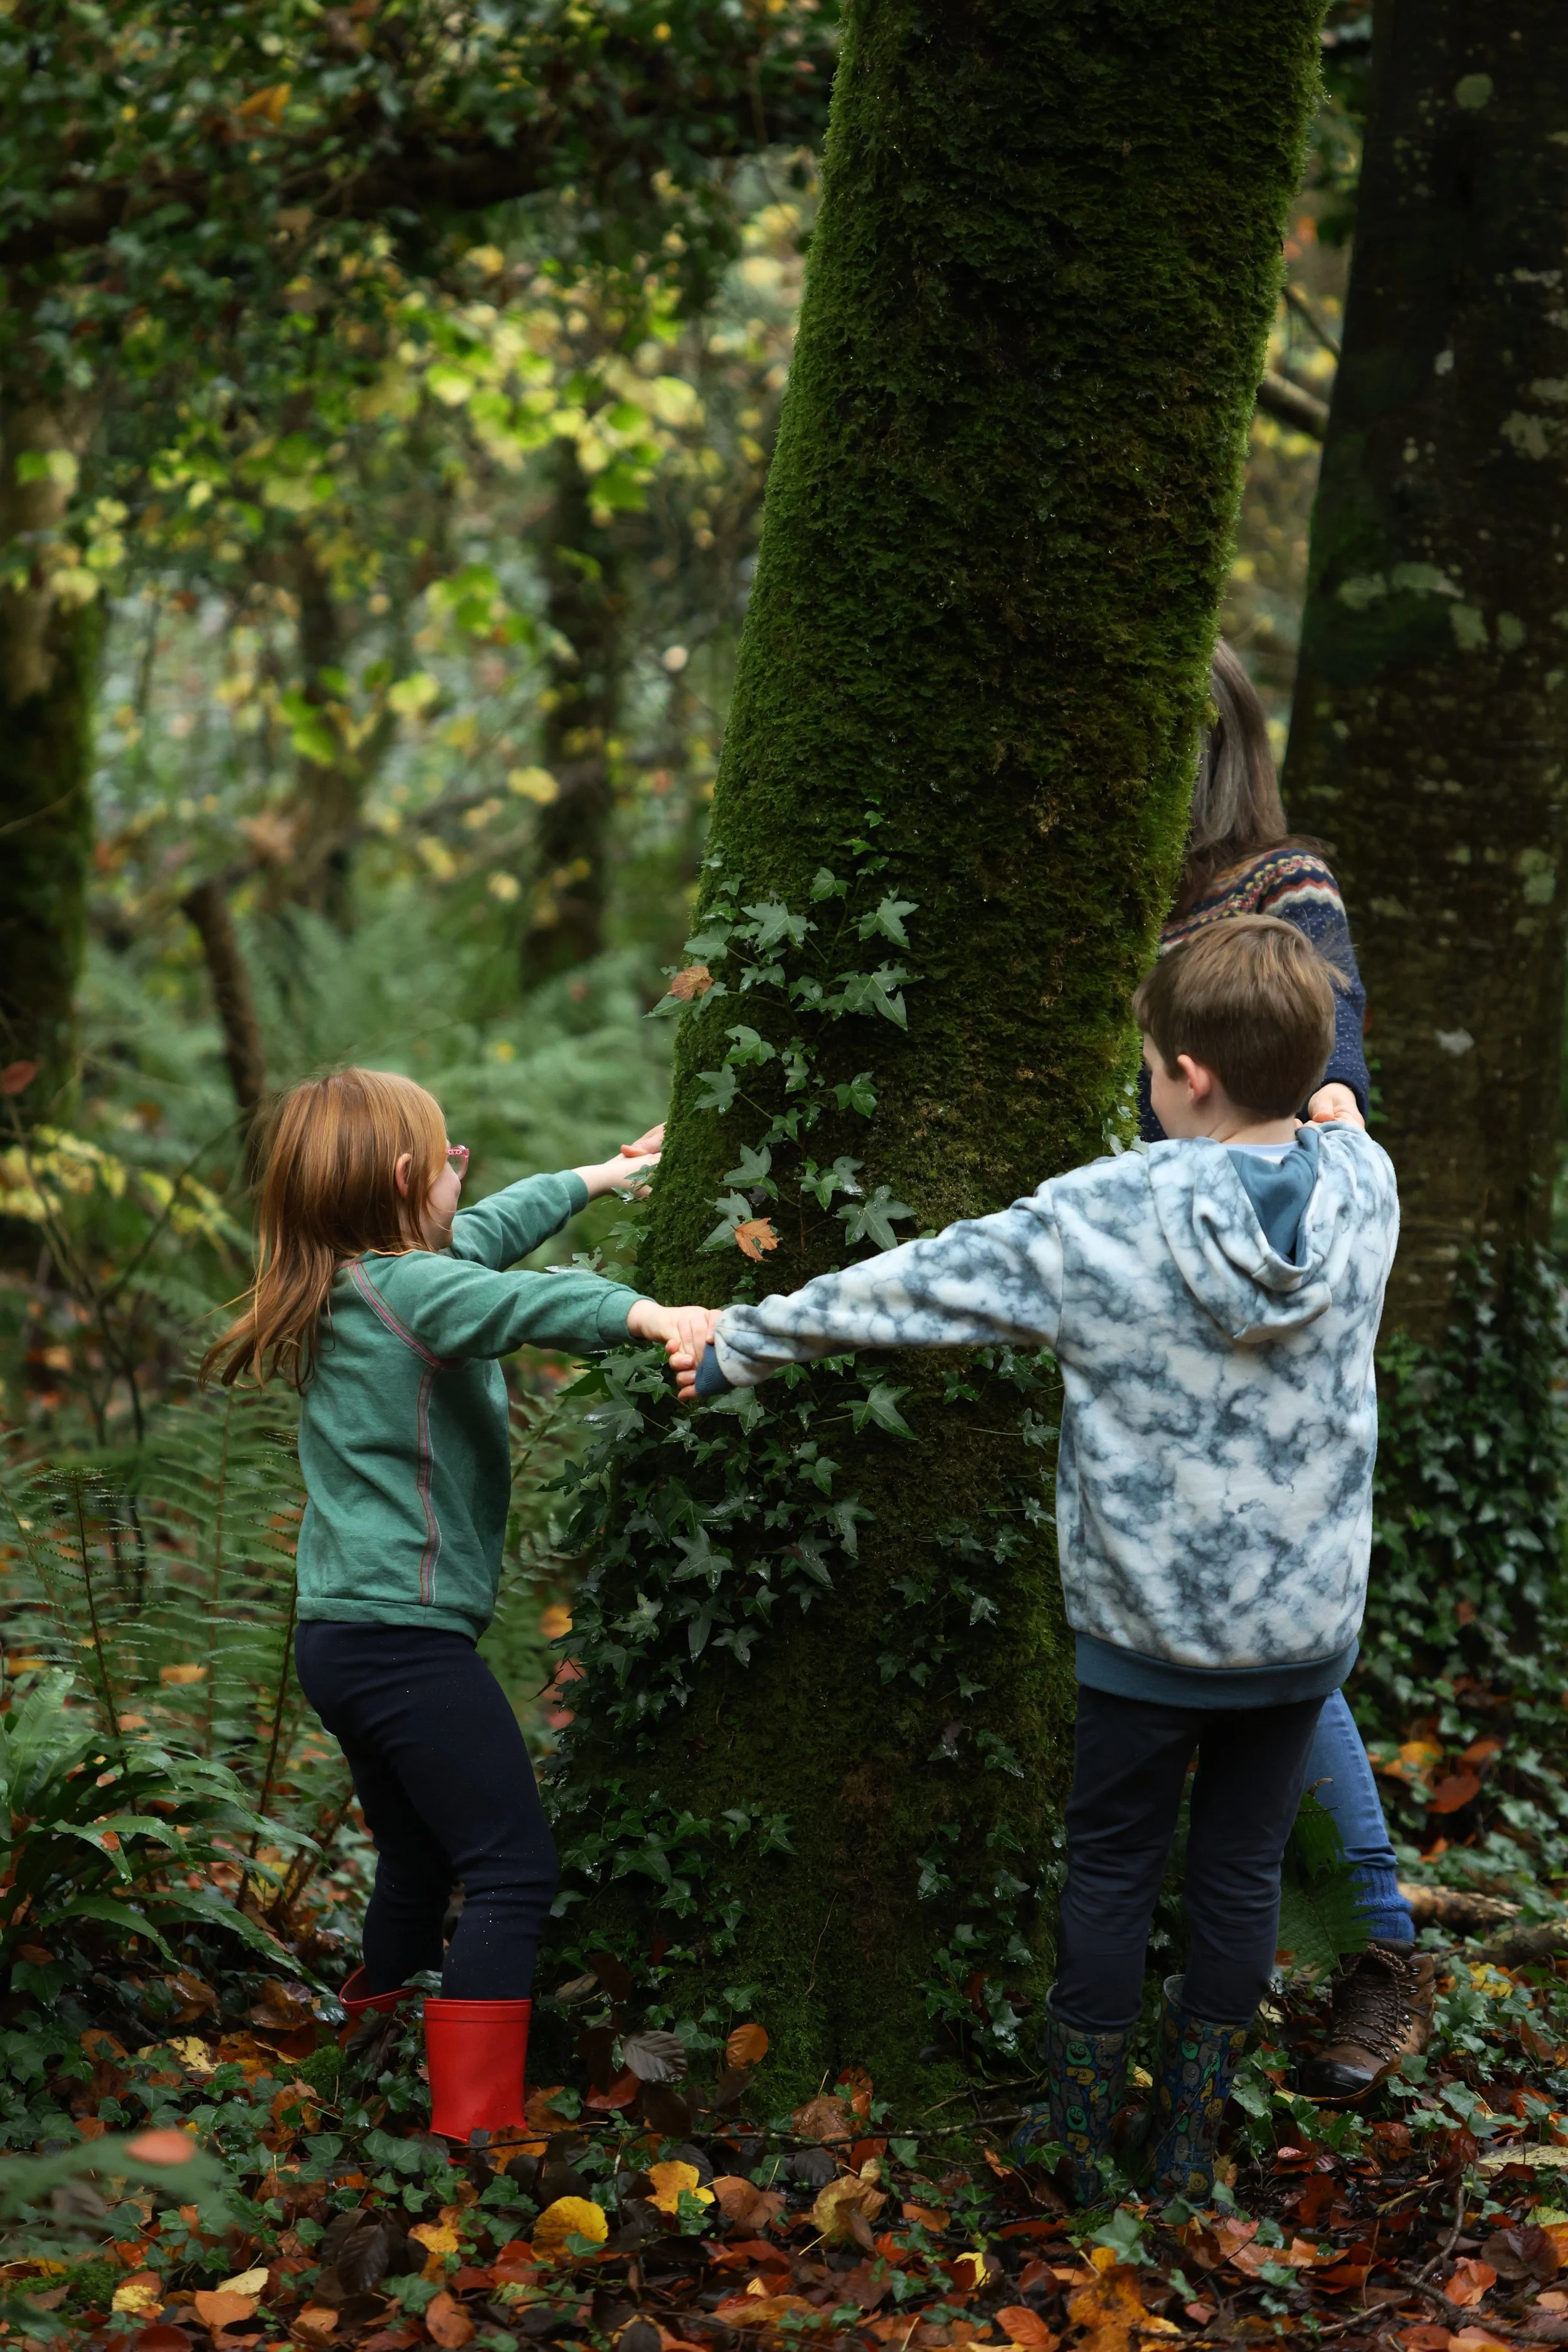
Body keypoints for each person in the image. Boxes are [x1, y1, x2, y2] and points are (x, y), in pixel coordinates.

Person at [674, 919, 1399, 2203]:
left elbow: (920, 1283)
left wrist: (744, 1337)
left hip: (1143, 1637)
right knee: (1234, 1876)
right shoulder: (1366, 1187)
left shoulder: (1101, 1214)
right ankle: (1182, 2142)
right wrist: (1324, 1095)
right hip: (1297, 1636)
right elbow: (1331, 1120)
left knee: (1113, 1867)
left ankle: (1069, 2137)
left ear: (1181, 1072)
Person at [203, 1068, 705, 2148]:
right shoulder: (421, 1294)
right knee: (512, 1869)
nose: (461, 1172)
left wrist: (603, 1175)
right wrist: (646, 1310)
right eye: (446, 1160)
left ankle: (365, 2079)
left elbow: (484, 1233)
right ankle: (472, 2132)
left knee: (420, 1864)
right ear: (400, 1180)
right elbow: (523, 1300)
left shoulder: (356, 1282)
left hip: (340, 1638)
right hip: (405, 1645)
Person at [1146, 640, 1431, 2102]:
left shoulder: (1276, 883)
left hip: (1255, 1309)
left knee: (1267, 1636)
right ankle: (1217, 1954)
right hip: (1130, 1312)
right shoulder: (1105, 886)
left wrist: (1324, 1112)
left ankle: (1373, 1949)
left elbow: (1331, 1061)